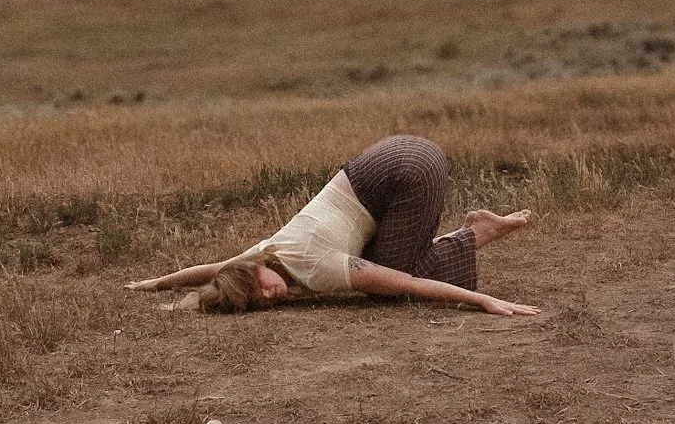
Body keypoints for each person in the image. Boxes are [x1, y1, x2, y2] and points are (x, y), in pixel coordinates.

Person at [124, 134, 540, 316]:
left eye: (260, 286)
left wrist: (482, 300)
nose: (269, 295)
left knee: (391, 283)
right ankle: (475, 232)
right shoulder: (264, 255)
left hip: (410, 170)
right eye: (259, 301)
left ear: (256, 268)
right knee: (383, 260)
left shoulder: (316, 266)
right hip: (390, 156)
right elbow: (213, 270)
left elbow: (410, 284)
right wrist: (157, 284)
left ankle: (477, 232)